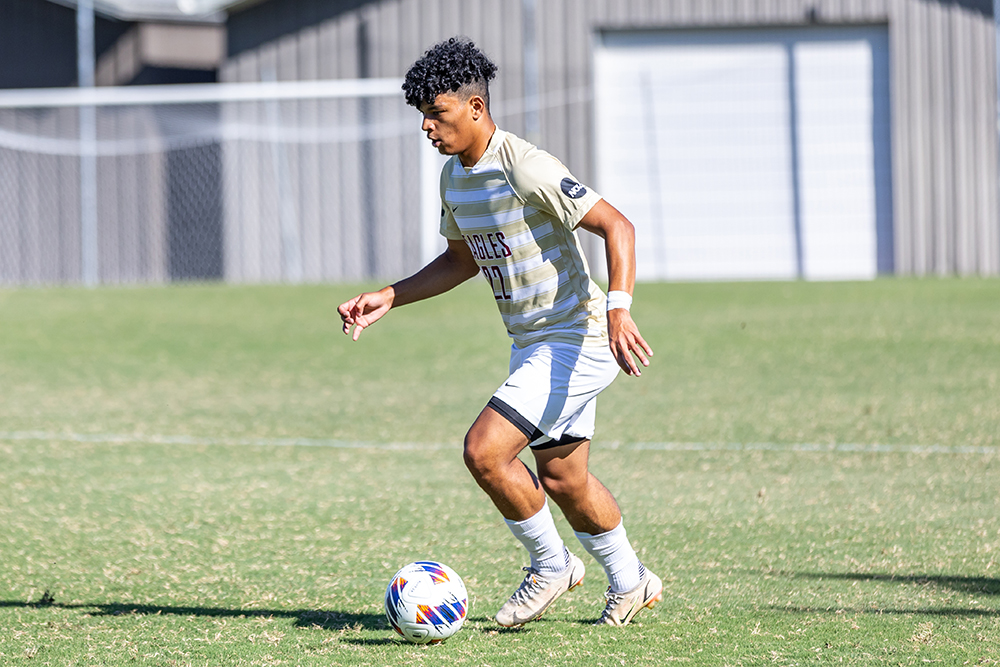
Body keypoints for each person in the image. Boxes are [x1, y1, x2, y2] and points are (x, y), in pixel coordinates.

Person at [338, 37, 661, 627]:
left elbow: (618, 225)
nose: (429, 128)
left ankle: (552, 564)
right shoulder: (454, 179)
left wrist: (618, 309)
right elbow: (461, 261)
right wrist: (390, 295)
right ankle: (631, 579)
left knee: (484, 452)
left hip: (580, 336)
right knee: (564, 479)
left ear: (476, 108)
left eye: (438, 114)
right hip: (532, 343)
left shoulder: (526, 166)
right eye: (423, 118)